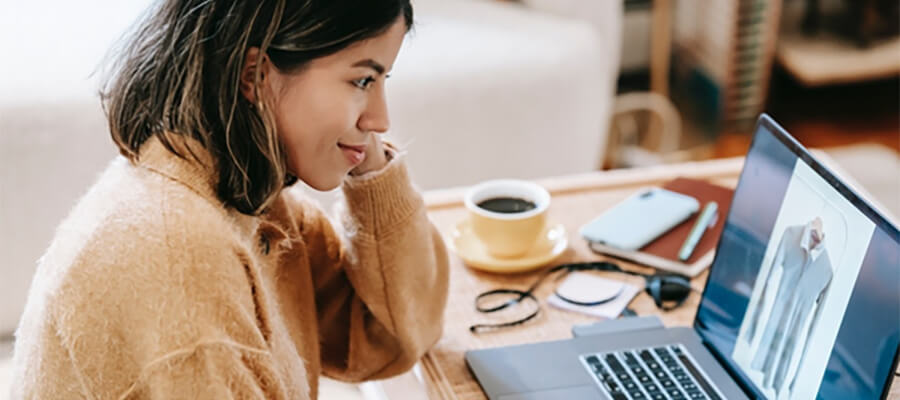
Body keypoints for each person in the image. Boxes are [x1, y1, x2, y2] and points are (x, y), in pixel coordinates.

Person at [10, 1, 449, 398]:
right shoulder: (174, 256)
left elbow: (391, 339)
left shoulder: (254, 205)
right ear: (254, 75)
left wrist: (372, 172)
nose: (381, 118)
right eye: (362, 80)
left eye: (381, 81)